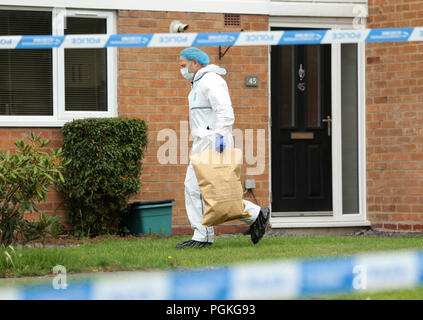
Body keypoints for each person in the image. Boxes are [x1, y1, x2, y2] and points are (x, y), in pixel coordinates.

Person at [176, 47, 270, 249]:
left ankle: (205, 235)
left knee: (206, 190)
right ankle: (253, 216)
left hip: (213, 142)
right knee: (197, 188)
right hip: (203, 141)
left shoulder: (211, 81)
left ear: (195, 62)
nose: (181, 69)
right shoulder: (198, 83)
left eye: (183, 65)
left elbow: (225, 111)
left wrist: (220, 137)